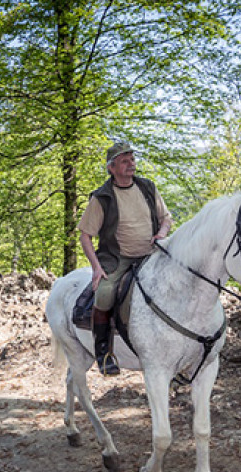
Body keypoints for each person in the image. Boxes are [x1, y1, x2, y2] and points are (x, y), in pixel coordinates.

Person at [77, 141, 172, 375]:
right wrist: (97, 269)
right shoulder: (102, 197)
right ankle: (103, 353)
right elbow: (85, 236)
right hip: (117, 258)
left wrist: (161, 234)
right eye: (124, 161)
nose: (131, 164)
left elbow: (166, 218)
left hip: (151, 254)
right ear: (111, 168)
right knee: (105, 293)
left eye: (132, 159)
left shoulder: (148, 187)